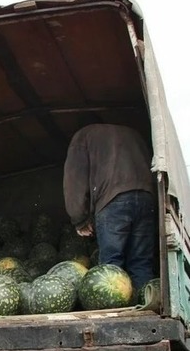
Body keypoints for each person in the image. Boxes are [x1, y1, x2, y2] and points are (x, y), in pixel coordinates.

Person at [63, 123, 158, 292]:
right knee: (141, 262)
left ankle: (114, 313)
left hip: (113, 199)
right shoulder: (134, 133)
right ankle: (145, 304)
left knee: (111, 266)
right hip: (146, 197)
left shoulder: (82, 136)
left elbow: (74, 179)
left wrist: (79, 219)